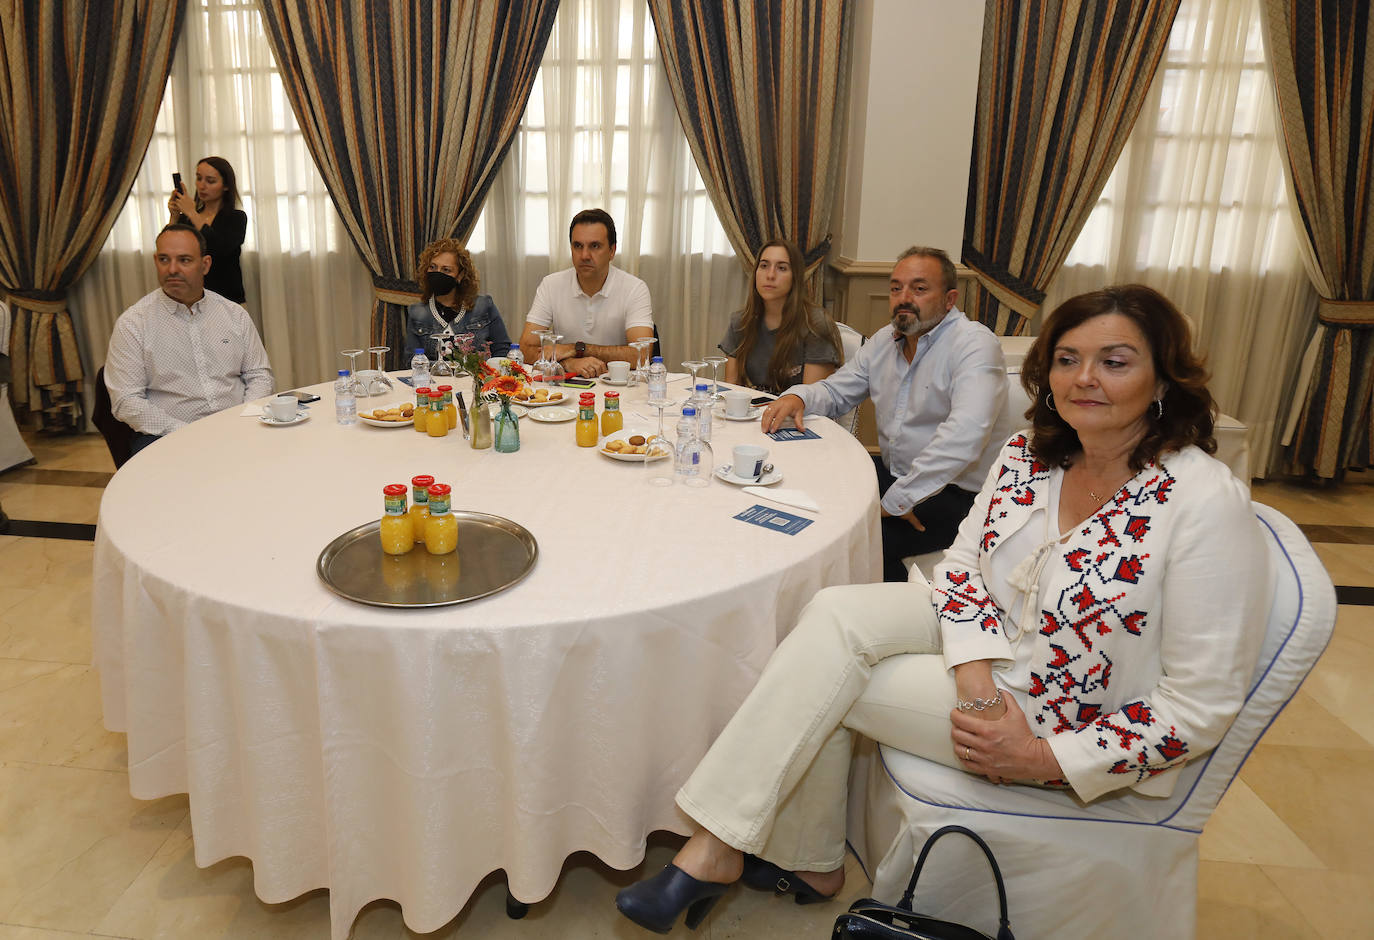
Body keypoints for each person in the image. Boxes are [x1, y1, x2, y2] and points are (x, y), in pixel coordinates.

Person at [614, 284, 1270, 934]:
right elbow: (960, 568)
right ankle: (746, 851)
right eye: (1067, 359)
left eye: (1115, 361)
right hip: (988, 648)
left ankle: (733, 852)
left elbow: (1201, 705)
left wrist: (1041, 757)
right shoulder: (1031, 454)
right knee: (833, 614)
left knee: (825, 675)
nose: (1084, 379)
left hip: (1058, 715)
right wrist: (974, 675)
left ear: (1164, 378)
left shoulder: (1201, 501)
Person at [762, 246, 1008, 582]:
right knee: (810, 494)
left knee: (853, 543)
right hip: (897, 473)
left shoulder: (975, 345)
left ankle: (893, 620)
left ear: (950, 299)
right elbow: (835, 392)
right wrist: (798, 398)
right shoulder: (884, 341)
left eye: (919, 289)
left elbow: (963, 437)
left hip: (958, 494)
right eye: (896, 288)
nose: (904, 297)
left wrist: (895, 501)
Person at [104, 223, 273, 456]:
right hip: (167, 438)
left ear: (205, 265)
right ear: (155, 261)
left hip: (238, 428)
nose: (172, 269)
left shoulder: (233, 314)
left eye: (184, 260)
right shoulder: (134, 323)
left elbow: (259, 375)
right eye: (164, 260)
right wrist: (186, 433)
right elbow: (127, 400)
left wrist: (244, 418)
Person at [517, 208, 654, 377]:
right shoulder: (551, 284)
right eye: (578, 246)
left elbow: (641, 355)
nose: (584, 255)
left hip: (617, 386)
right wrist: (568, 363)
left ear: (612, 251)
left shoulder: (634, 288)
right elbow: (525, 350)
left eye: (595, 246)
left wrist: (577, 349)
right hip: (566, 388)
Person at [718, 238, 841, 392]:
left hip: (801, 413)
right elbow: (731, 389)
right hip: (754, 412)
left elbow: (813, 399)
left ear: (795, 277)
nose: (770, 275)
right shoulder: (741, 321)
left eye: (782, 268)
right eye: (764, 266)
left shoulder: (815, 323)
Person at [404, 239, 511, 360]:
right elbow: (412, 361)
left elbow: (502, 351)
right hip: (435, 378)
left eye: (446, 270)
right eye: (433, 267)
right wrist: (445, 369)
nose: (437, 274)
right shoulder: (417, 312)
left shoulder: (484, 306)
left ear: (460, 276)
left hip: (477, 377)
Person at [168, 156, 247, 304]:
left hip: (228, 300)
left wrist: (192, 213)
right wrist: (174, 217)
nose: (202, 186)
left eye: (210, 181)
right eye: (199, 178)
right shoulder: (187, 219)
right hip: (191, 299)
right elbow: (169, 250)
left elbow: (220, 248)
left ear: (226, 186)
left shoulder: (236, 218)